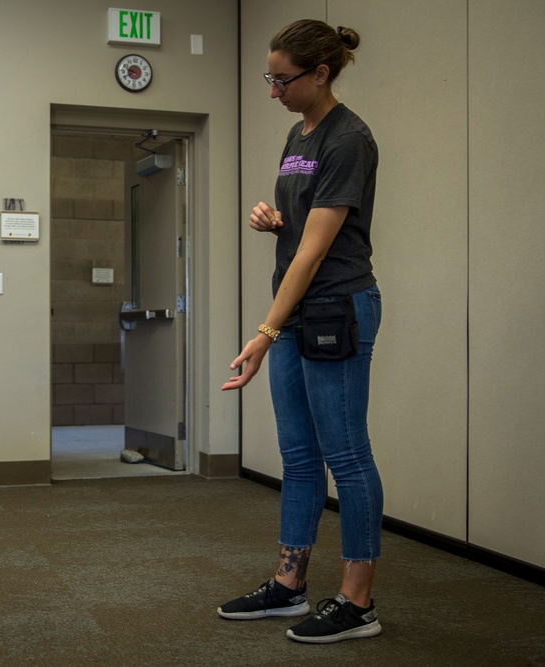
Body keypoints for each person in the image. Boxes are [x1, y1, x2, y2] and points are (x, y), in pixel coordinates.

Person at [217, 19, 383, 644]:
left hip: (336, 307)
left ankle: (358, 601)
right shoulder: (298, 131)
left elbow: (316, 252)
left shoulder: (350, 138)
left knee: (347, 454)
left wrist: (264, 330)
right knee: (299, 455)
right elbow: (305, 224)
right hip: (292, 313)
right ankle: (289, 585)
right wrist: (274, 218)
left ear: (321, 74)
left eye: (282, 80)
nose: (272, 91)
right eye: (269, 77)